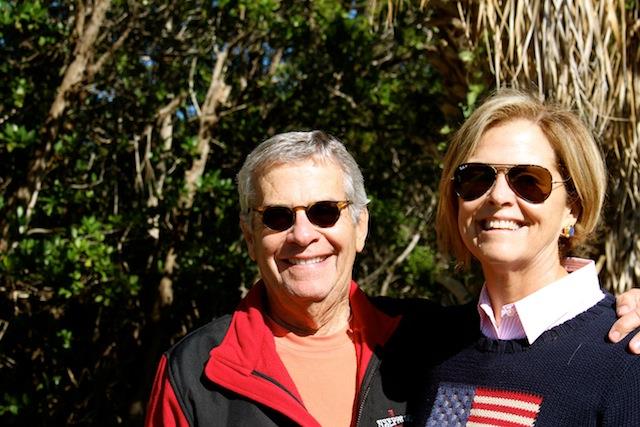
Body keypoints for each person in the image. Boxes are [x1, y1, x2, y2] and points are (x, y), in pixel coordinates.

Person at [145, 130, 640, 427]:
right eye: (276, 217)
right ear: (250, 237)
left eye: (325, 211)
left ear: (360, 226)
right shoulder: (198, 372)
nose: (303, 235)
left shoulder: (422, 339)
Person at [419, 89, 640, 426]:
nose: (498, 196)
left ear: (573, 206)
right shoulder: (427, 344)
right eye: (476, 178)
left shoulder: (626, 354)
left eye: (528, 181)